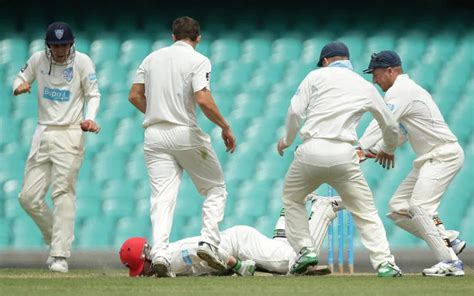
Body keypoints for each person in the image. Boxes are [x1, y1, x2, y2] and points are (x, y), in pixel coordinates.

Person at [277, 41, 402, 277]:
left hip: (310, 151)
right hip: (344, 155)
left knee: (292, 198)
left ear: (325, 61)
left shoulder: (315, 76)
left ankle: (305, 249)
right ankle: (385, 263)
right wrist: (389, 147)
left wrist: (287, 139)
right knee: (365, 211)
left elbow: (295, 111)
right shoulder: (364, 86)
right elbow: (390, 124)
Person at [128, 16, 236, 277]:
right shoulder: (199, 60)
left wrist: (155, 112)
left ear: (172, 36)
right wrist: (224, 126)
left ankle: (161, 254)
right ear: (198, 38)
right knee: (215, 188)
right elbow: (203, 98)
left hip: (154, 135)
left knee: (162, 197)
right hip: (184, 132)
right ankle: (209, 243)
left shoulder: (151, 58)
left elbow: (134, 95)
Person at [358, 50, 465, 276]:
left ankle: (450, 263)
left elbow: (382, 123)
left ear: (390, 70)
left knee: (420, 207)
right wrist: (376, 150)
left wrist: (359, 148)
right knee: (398, 209)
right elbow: (401, 133)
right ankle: (447, 239)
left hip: (443, 155)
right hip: (430, 158)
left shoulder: (401, 91)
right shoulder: (403, 92)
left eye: (376, 74)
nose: (374, 80)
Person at [12, 22, 101, 273]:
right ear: (48, 45)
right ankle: (56, 238)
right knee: (28, 197)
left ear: (71, 44)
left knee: (62, 193)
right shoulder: (38, 59)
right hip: (43, 132)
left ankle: (60, 255)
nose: (60, 50)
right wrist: (19, 86)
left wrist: (90, 117)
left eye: (64, 44)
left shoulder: (82, 62)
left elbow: (93, 93)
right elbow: (20, 76)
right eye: (55, 45)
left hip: (71, 132)